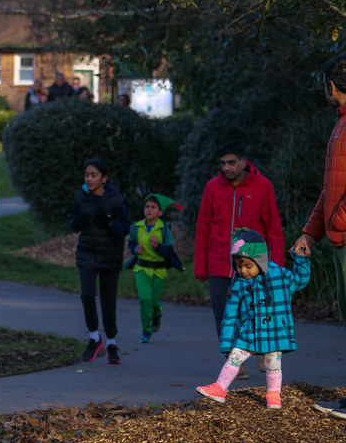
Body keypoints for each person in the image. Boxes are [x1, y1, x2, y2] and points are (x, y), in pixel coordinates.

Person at [194, 141, 285, 378]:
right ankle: (235, 362)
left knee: (257, 310)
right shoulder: (212, 187)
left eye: (231, 162)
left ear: (244, 162)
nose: (226, 167)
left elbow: (274, 229)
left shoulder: (263, 186)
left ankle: (262, 351)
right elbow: (203, 227)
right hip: (218, 263)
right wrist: (200, 266)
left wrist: (276, 266)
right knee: (224, 316)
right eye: (223, 163)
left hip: (253, 263)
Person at [196, 228, 310, 410]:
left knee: (273, 363)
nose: (242, 270)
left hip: (274, 331)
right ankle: (220, 388)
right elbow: (230, 316)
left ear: (260, 261)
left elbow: (300, 280)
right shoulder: (238, 284)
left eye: (248, 266)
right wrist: (227, 342)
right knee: (234, 357)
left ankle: (273, 394)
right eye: (238, 265)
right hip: (248, 332)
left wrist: (301, 259)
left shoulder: (279, 276)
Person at [296, 54, 346, 419]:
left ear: (331, 85)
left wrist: (338, 222)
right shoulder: (340, 124)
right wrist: (310, 234)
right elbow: (330, 190)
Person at [70, 159, 131, 364]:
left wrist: (110, 222)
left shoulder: (116, 199)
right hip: (87, 253)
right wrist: (78, 221)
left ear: (104, 178)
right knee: (87, 294)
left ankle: (111, 342)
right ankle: (94, 338)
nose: (88, 179)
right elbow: (74, 222)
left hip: (110, 255)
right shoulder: (82, 197)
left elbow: (124, 228)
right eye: (86, 175)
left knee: (108, 301)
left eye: (93, 175)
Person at [124, 194, 185, 344]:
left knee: (154, 302)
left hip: (158, 270)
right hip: (141, 268)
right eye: (147, 207)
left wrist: (157, 246)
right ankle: (146, 331)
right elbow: (131, 243)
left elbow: (169, 250)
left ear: (160, 212)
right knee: (145, 299)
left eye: (153, 207)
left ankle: (157, 314)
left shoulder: (164, 229)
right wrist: (135, 249)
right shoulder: (136, 227)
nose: (149, 210)